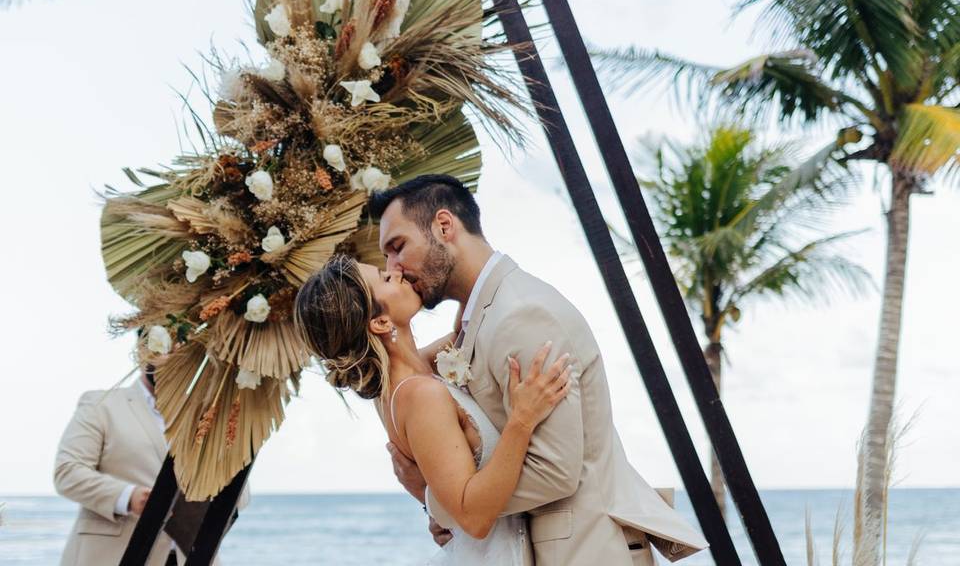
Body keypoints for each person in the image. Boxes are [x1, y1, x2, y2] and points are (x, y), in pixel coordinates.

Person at [366, 174, 709, 565]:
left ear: (444, 226)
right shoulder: (474, 318)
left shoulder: (523, 314)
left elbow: (554, 471)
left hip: (582, 550)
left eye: (397, 247)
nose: (393, 266)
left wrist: (448, 504)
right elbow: (403, 372)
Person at [295, 253, 571, 565]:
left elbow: (467, 329)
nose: (396, 270)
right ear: (381, 322)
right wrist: (522, 420)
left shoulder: (408, 377)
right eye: (386, 278)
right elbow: (474, 518)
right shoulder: (419, 395)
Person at [54, 367, 247, 565]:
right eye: (166, 346)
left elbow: (242, 496)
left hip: (191, 557)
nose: (173, 355)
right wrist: (129, 496)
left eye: (181, 346)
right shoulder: (101, 404)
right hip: (115, 556)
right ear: (142, 348)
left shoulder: (210, 414)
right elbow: (68, 471)